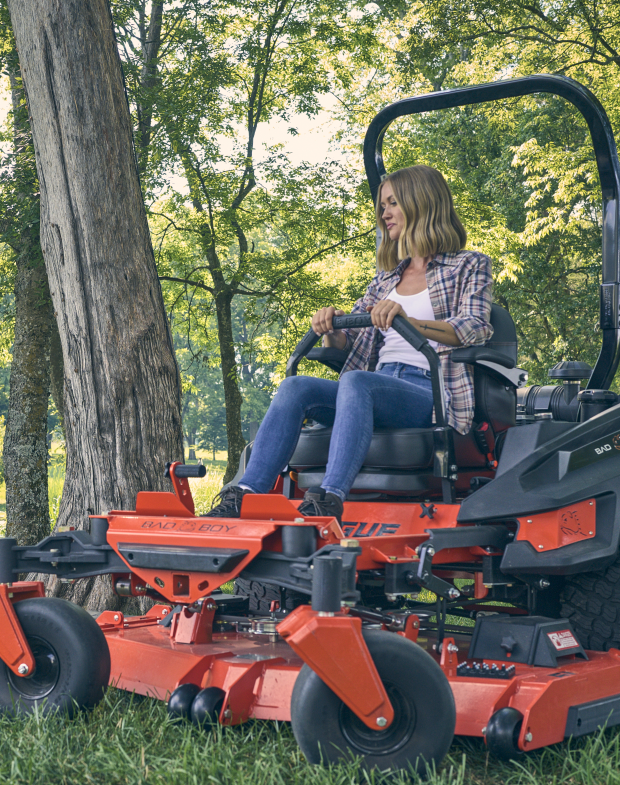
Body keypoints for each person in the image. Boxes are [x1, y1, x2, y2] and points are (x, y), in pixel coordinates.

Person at [204, 164, 493, 519]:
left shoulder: (468, 265)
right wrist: (332, 328)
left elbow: (475, 326)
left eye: (392, 203)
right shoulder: (387, 278)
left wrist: (408, 321)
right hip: (375, 384)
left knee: (357, 382)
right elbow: (350, 340)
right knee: (296, 386)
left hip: (428, 390)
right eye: (382, 206)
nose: (384, 213)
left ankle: (328, 498)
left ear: (421, 202)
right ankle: (245, 496)